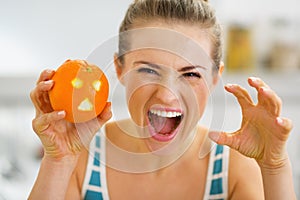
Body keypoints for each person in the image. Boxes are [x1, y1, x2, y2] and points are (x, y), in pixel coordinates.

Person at [28, 0, 296, 199]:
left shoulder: (233, 169)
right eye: (147, 70)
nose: (167, 95)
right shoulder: (82, 160)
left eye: (190, 73)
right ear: (120, 69)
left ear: (215, 78)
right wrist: (59, 161)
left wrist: (275, 166)